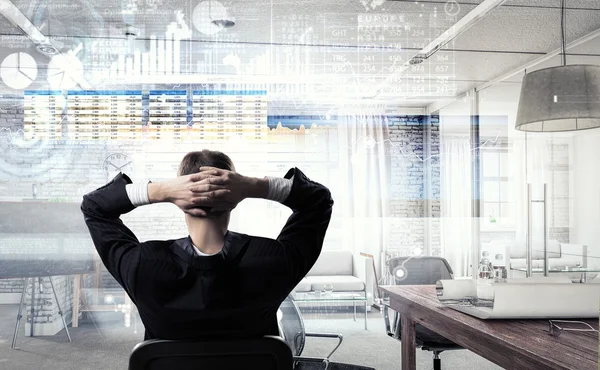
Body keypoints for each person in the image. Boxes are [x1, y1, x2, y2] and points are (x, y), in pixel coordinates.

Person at [80, 149, 333, 341]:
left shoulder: (142, 264)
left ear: (180, 196)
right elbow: (318, 201)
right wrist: (252, 186)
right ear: (234, 199)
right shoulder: (274, 261)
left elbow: (95, 207)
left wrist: (161, 190)